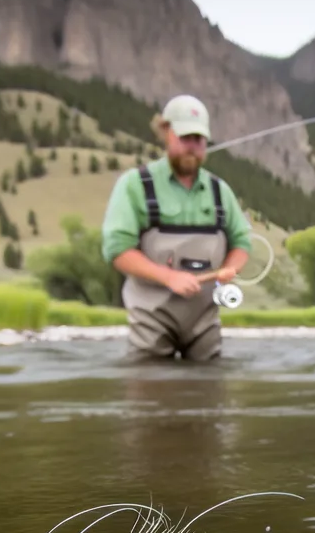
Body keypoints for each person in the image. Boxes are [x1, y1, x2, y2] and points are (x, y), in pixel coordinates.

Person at [100, 94, 253, 361]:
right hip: (151, 317)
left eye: (199, 139)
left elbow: (241, 242)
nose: (192, 146)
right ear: (166, 134)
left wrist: (229, 269)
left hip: (205, 320)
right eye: (185, 138)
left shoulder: (220, 190)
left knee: (211, 382)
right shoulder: (134, 185)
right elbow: (117, 250)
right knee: (150, 380)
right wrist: (169, 277)